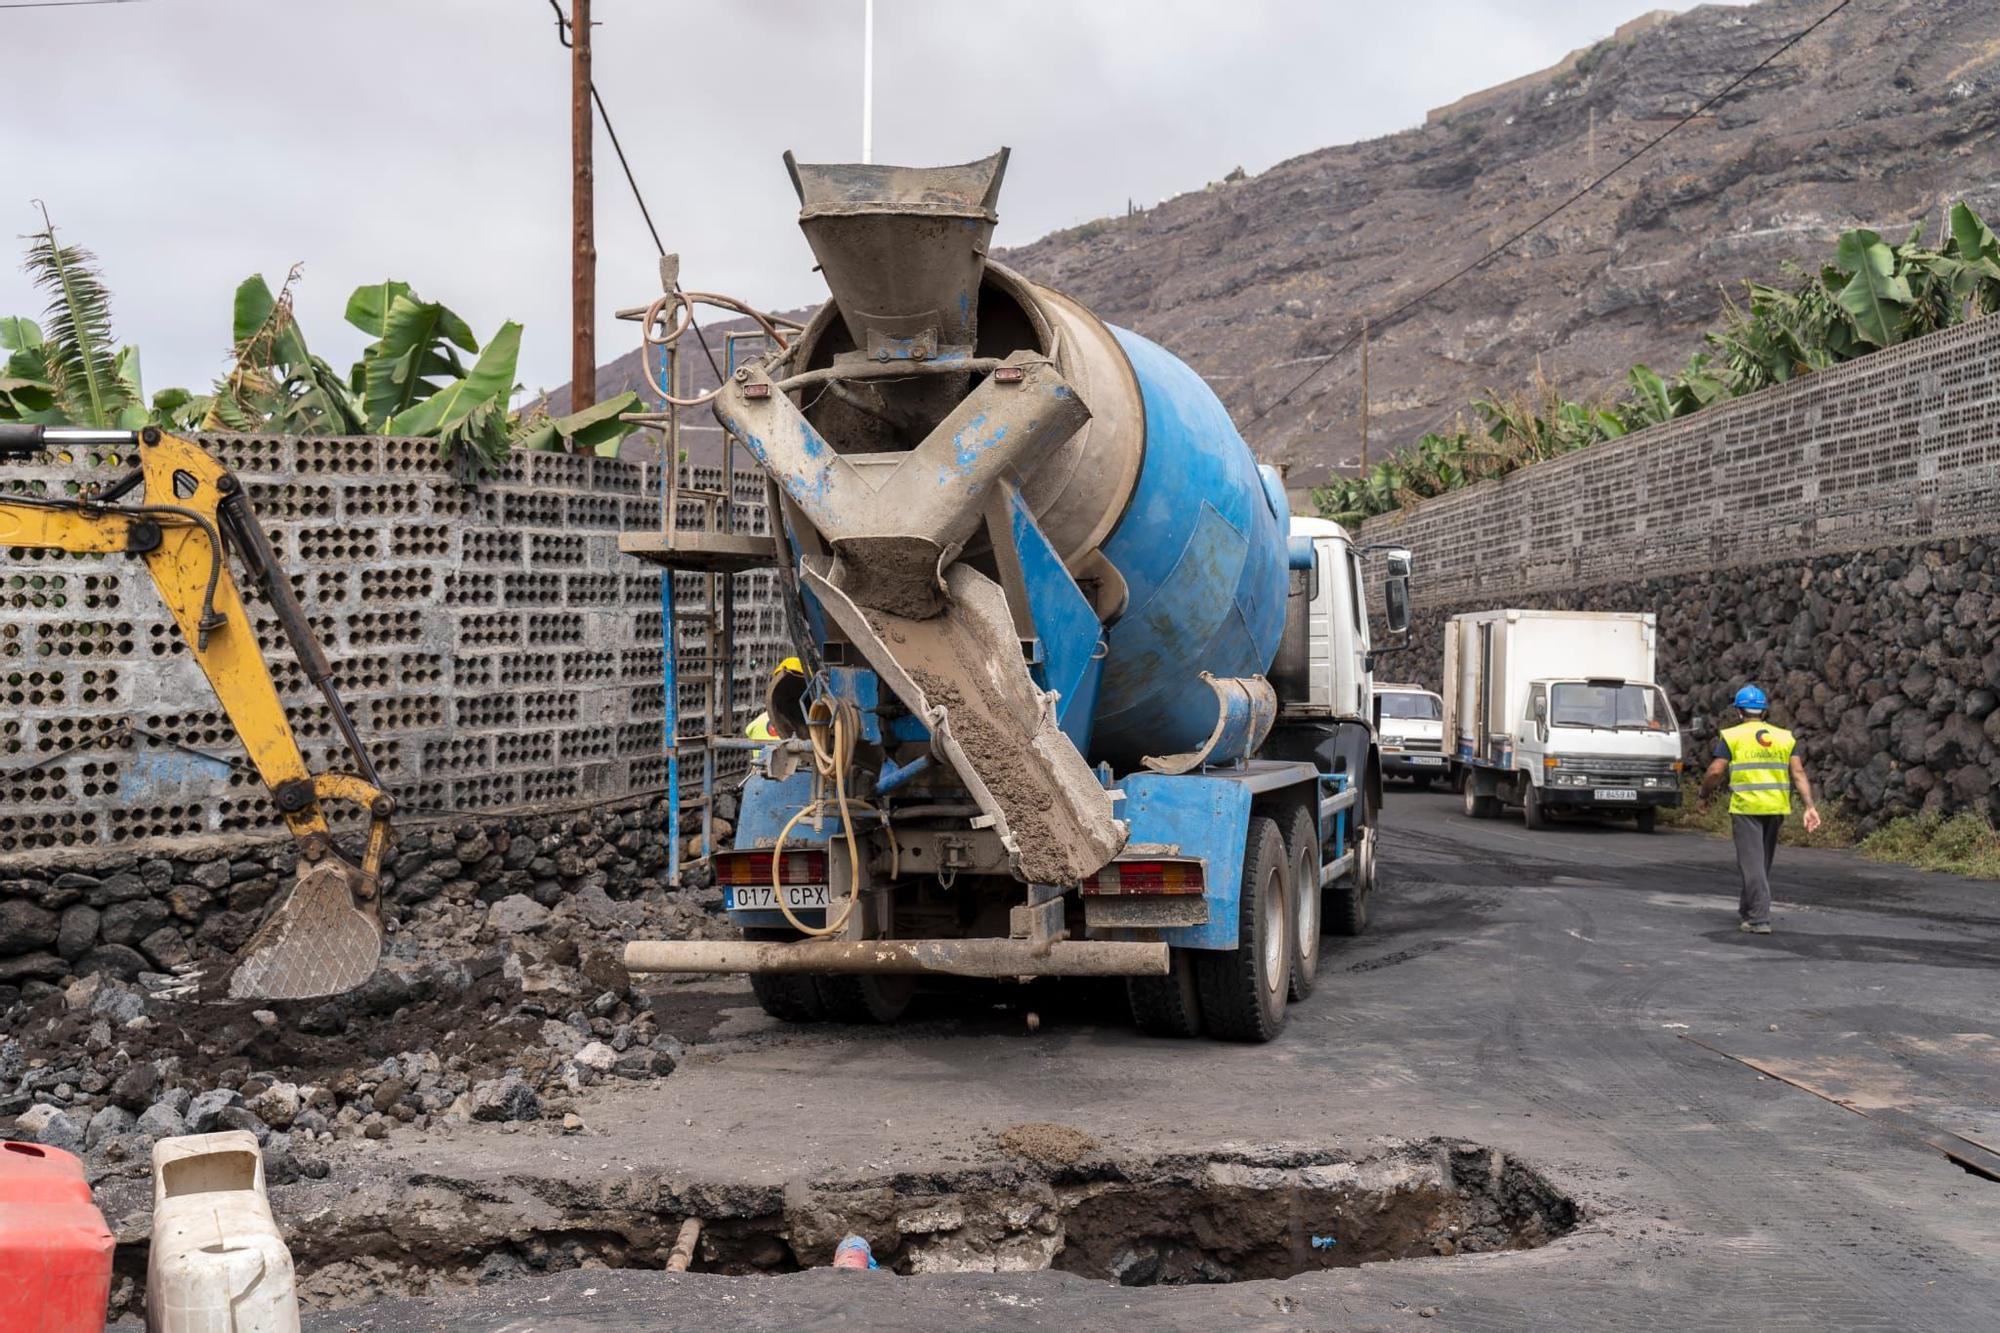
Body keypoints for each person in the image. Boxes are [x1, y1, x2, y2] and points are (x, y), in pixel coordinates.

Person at [1698, 684, 1821, 934]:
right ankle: (1748, 911)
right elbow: (1798, 772)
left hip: (1747, 808)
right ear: (1763, 712)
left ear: (1739, 712)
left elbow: (1715, 771)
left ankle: (1759, 919)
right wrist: (1809, 806)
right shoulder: (1785, 737)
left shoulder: (1733, 736)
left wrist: (1704, 795)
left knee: (1752, 863)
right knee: (1760, 862)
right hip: (1776, 807)